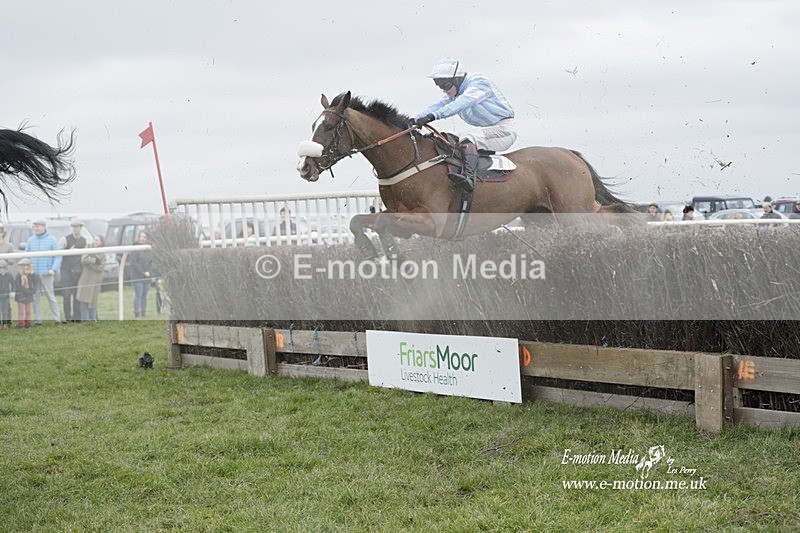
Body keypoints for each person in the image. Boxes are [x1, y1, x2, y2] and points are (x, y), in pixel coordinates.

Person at [411, 57, 516, 191]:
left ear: (458, 79)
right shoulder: (455, 93)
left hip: (504, 130)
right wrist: (415, 119)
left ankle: (469, 178)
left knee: (467, 137)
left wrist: (433, 116)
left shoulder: (479, 82)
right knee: (453, 137)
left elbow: (460, 104)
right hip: (489, 130)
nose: (443, 90)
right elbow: (439, 105)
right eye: (439, 85)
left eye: (445, 85)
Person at [26, 219, 62, 325]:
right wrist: (28, 270)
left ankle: (57, 319)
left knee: (51, 297)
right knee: (35, 298)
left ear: (44, 227)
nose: (36, 228)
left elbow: (59, 255)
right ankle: (38, 320)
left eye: (38, 226)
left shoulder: (52, 240)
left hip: (47, 273)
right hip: (34, 274)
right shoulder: (30, 240)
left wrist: (53, 269)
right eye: (35, 226)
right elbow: (27, 256)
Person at [58, 219, 87, 322]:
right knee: (66, 294)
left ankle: (76, 317)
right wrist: (68, 251)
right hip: (66, 269)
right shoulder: (65, 239)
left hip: (78, 270)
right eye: (74, 227)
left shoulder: (84, 240)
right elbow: (58, 252)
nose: (75, 229)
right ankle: (67, 317)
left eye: (77, 227)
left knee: (76, 294)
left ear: (80, 228)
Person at [76, 235, 107, 321]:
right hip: (85, 280)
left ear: (101, 242)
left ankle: (93, 321)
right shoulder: (88, 249)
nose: (95, 241)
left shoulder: (103, 253)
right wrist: (95, 261)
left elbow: (100, 267)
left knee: (93, 303)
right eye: (94, 239)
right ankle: (85, 322)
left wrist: (91, 264)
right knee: (84, 302)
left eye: (97, 240)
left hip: (95, 281)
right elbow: (84, 260)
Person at [129, 231, 157, 318]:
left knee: (144, 295)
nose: (142, 238)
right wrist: (143, 272)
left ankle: (144, 312)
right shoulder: (134, 248)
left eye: (144, 237)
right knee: (139, 294)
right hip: (137, 276)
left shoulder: (149, 249)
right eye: (141, 236)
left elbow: (153, 262)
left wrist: (149, 272)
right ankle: (136, 312)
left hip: (147, 276)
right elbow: (133, 262)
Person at [13, 258, 39, 328]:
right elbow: (18, 286)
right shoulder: (19, 275)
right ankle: (20, 324)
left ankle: (28, 323)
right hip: (20, 295)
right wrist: (26, 291)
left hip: (29, 295)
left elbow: (36, 282)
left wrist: (33, 290)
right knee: (21, 311)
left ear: (29, 266)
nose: (23, 267)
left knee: (28, 311)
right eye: (22, 265)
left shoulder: (32, 274)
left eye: (25, 265)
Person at [0, 259, 12, 327]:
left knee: (5, 311)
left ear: (5, 268)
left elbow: (13, 283)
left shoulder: (9, 275)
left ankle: (5, 323)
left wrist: (13, 291)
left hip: (6, 296)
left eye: (2, 268)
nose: (0, 269)